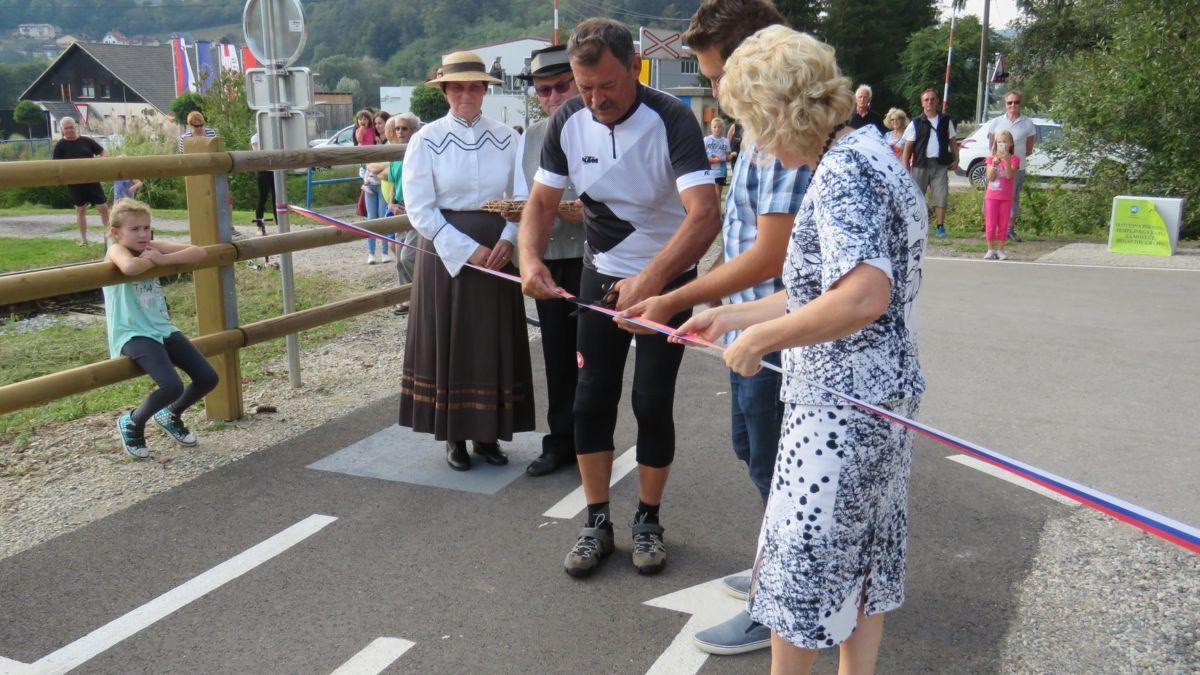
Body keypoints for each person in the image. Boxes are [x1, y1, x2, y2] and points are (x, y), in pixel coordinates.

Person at [680, 25, 926, 673]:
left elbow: (863, 294)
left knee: (797, 575)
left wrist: (761, 337)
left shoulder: (843, 173)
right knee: (864, 562)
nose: (752, 142)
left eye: (753, 123)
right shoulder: (871, 154)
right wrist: (733, 314)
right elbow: (822, 290)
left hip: (837, 411)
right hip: (882, 398)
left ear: (780, 112)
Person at [625, 0, 806, 655]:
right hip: (751, 333)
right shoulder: (757, 129)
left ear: (752, 60)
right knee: (755, 454)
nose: (713, 91)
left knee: (780, 468)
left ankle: (783, 596)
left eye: (714, 74)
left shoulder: (788, 134)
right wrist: (704, 304)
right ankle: (775, 570)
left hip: (781, 339)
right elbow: (741, 241)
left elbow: (770, 256)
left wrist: (677, 298)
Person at [519, 18, 720, 578]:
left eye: (607, 85)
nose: (596, 99)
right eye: (585, 89)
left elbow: (704, 216)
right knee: (589, 401)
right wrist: (529, 260)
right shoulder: (568, 120)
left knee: (651, 401)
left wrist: (654, 279)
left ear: (635, 66)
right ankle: (597, 522)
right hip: (599, 274)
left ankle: (649, 519)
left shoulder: (672, 118)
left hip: (668, 278)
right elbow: (538, 205)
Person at [400, 50, 535, 472]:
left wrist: (510, 240)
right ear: (444, 91)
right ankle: (454, 437)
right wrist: (465, 249)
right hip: (448, 256)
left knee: (492, 341)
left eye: (474, 86)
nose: (466, 94)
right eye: (457, 87)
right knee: (454, 343)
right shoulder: (426, 139)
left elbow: (524, 195)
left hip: (498, 252)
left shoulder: (509, 137)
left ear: (484, 90)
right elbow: (420, 208)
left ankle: (488, 435)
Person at [511, 44, 585, 478]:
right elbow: (529, 198)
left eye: (561, 86)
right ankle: (559, 441)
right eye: (544, 91)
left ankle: (593, 439)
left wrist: (584, 212)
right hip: (552, 256)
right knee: (557, 355)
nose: (553, 97)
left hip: (596, 256)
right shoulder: (535, 135)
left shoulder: (600, 124)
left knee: (591, 357)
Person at [104, 199, 218, 459]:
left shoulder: (152, 248)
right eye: (134, 229)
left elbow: (198, 252)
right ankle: (133, 421)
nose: (143, 234)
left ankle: (170, 414)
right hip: (133, 332)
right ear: (116, 233)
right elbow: (130, 267)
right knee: (171, 385)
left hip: (162, 328)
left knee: (208, 377)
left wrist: (161, 257)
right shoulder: (115, 250)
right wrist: (156, 262)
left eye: (146, 228)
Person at [367, 113, 420, 311]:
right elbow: (393, 181)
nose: (399, 132)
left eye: (404, 128)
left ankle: (421, 293)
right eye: (397, 128)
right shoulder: (396, 154)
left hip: (415, 210)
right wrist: (391, 204)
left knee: (409, 256)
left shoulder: (418, 151)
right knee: (399, 257)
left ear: (414, 130)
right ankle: (406, 298)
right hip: (398, 209)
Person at [902, 88, 958, 238]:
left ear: (937, 101)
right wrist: (904, 167)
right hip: (920, 164)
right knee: (917, 197)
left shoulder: (946, 121)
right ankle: (915, 227)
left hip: (940, 164)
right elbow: (908, 148)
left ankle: (940, 227)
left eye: (932, 99)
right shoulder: (916, 122)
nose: (930, 102)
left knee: (941, 195)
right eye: (926, 100)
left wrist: (956, 158)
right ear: (922, 103)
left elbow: (952, 142)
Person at [985, 91, 1036, 242]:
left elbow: (1029, 148)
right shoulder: (996, 122)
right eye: (1009, 102)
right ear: (1005, 104)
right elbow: (991, 145)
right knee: (990, 196)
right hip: (996, 166)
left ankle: (1009, 229)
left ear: (1021, 104)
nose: (1013, 105)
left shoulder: (1028, 123)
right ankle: (990, 228)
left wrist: (1013, 159)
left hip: (1016, 167)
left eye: (1016, 102)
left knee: (1012, 197)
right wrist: (996, 161)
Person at [52, 116, 109, 246]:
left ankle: (109, 236)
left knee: (103, 208)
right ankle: (84, 240)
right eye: (66, 128)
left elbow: (104, 152)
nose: (69, 130)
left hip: (92, 180)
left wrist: (101, 162)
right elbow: (55, 166)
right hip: (74, 183)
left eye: (71, 127)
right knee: (81, 209)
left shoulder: (86, 141)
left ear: (75, 127)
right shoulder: (60, 145)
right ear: (62, 129)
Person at [984, 130, 1020, 261]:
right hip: (992, 196)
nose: (1002, 144)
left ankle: (1000, 249)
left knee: (1003, 223)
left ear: (1010, 144)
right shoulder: (990, 158)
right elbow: (990, 178)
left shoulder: (1014, 159)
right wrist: (994, 164)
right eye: (999, 142)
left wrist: (1006, 159)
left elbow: (1010, 175)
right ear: (995, 144)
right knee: (991, 224)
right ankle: (990, 249)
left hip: (1005, 197)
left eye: (1005, 142)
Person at [704, 117, 732, 196]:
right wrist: (711, 160)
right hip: (709, 171)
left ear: (723, 128)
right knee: (710, 195)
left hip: (721, 171)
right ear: (711, 128)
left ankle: (718, 208)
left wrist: (731, 156)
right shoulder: (706, 140)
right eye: (715, 127)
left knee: (717, 194)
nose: (717, 129)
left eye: (719, 127)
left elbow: (727, 157)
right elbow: (701, 155)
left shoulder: (725, 141)